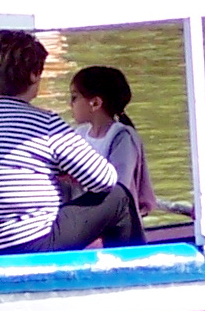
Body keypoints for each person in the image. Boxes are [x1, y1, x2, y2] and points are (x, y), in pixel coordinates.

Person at [0, 31, 140, 255]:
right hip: (28, 242)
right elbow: (105, 180)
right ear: (33, 76)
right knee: (119, 197)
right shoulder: (46, 123)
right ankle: (136, 269)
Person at [68, 66, 158, 219]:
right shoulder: (79, 133)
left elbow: (118, 189)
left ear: (95, 103)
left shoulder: (122, 137)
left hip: (113, 221)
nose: (70, 104)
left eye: (74, 97)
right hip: (82, 215)